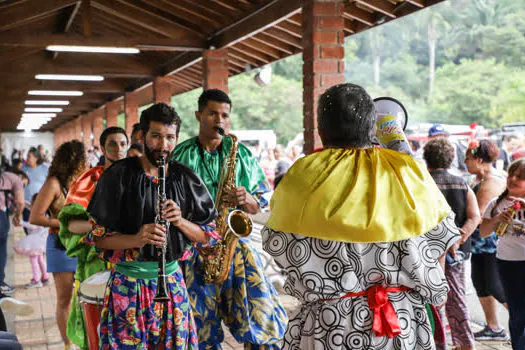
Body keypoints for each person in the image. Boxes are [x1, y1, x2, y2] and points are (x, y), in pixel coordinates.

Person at [262, 83, 461, 349]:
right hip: (399, 324)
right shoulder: (407, 172)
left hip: (329, 326)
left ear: (320, 132)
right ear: (372, 129)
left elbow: (279, 247)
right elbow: (442, 241)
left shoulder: (302, 176)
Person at [87, 103, 217, 349]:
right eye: (156, 136)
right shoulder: (117, 176)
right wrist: (137, 239)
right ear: (142, 137)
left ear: (177, 138)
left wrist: (180, 221)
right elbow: (98, 238)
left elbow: (207, 236)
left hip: (172, 285)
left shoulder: (186, 178)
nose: (163, 144)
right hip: (127, 286)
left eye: (170, 137)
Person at [172, 89, 287, 349]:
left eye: (225, 115)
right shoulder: (180, 155)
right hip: (193, 252)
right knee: (199, 333)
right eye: (212, 113)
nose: (219, 120)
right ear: (198, 115)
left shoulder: (242, 154)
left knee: (264, 322)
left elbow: (261, 203)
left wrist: (246, 199)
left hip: (233, 247)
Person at [57, 127, 128, 349]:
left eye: (123, 144)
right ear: (102, 147)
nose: (119, 149)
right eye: (113, 144)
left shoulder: (139, 176)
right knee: (95, 330)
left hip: (131, 262)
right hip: (94, 265)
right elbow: (71, 225)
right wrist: (101, 228)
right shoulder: (90, 179)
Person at [423, 138, 481, 350]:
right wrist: (458, 238)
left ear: (426, 158)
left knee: (430, 297)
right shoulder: (462, 184)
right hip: (455, 254)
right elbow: (475, 217)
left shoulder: (421, 184)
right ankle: (465, 343)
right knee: (456, 298)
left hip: (426, 254)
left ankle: (438, 344)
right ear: (450, 159)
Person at [30, 140, 86, 349]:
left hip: (84, 243)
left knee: (86, 295)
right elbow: (36, 216)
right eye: (81, 159)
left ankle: (84, 338)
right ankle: (67, 344)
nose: (83, 163)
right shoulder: (53, 184)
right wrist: (65, 224)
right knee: (65, 298)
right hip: (61, 245)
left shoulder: (84, 181)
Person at [464, 139, 509, 341]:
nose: (465, 162)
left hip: (491, 245)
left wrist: (458, 234)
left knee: (495, 287)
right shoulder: (477, 180)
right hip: (479, 246)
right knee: (480, 283)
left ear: (479, 159)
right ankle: (494, 327)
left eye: (467, 158)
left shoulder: (491, 184)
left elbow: (479, 218)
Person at [479, 159, 525, 350]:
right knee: (517, 313)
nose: (513, 179)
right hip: (509, 264)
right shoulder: (496, 203)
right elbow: (483, 232)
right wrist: (498, 219)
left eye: (520, 177)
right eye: (510, 175)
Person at [14, 193, 49, 289]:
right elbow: (29, 207)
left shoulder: (38, 213)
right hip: (39, 239)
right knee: (40, 259)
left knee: (33, 259)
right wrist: (23, 202)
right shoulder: (42, 209)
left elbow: (33, 225)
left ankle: (36, 280)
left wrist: (21, 223)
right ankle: (45, 277)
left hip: (35, 240)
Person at [0, 168, 24, 294]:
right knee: (1, 248)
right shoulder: (13, 178)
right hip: (0, 215)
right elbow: (20, 201)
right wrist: (18, 216)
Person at [21, 147, 49, 235]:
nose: (27, 159)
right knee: (28, 228)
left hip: (40, 204)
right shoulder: (23, 169)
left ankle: (39, 247)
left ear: (36, 158)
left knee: (41, 229)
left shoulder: (45, 169)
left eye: (29, 156)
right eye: (27, 156)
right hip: (26, 204)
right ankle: (31, 246)